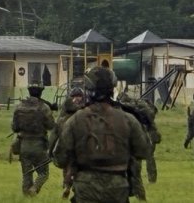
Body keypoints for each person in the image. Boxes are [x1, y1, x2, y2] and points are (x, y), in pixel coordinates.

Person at [52, 66, 150, 202]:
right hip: (117, 188)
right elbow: (143, 151)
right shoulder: (128, 119)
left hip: (86, 188)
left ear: (88, 90)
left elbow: (60, 158)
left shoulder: (75, 120)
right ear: (112, 88)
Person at [12, 84, 55, 196]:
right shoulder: (44, 107)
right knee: (43, 173)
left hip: (23, 145)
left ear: (29, 92)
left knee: (26, 174)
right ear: (40, 93)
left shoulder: (19, 107)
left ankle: (26, 197)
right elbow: (51, 126)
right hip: (39, 145)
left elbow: (14, 128)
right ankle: (35, 188)